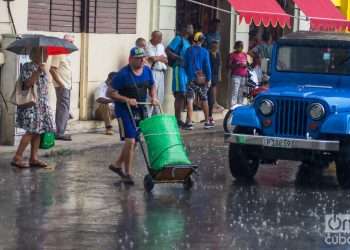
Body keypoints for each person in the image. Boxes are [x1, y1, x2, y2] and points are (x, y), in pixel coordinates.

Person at [107, 47, 158, 185]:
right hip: (124, 109)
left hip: (140, 108)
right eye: (138, 58)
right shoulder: (123, 74)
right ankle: (128, 174)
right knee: (131, 140)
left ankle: (117, 165)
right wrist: (126, 99)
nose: (142, 60)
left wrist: (154, 97)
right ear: (131, 59)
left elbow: (152, 85)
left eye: (143, 57)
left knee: (134, 142)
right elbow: (110, 93)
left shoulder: (147, 71)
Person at [11, 47, 55, 168]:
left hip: (42, 104)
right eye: (44, 52)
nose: (46, 55)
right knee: (31, 131)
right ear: (37, 54)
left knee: (38, 131)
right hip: (32, 105)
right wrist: (37, 72)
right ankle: (17, 157)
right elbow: (27, 84)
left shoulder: (43, 67)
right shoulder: (28, 66)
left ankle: (34, 158)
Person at [166, 24, 193, 128]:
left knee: (184, 95)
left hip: (185, 70)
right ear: (185, 29)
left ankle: (179, 119)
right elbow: (168, 50)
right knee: (179, 94)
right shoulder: (178, 39)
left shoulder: (187, 42)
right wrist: (179, 57)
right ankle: (177, 119)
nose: (192, 29)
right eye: (190, 27)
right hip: (179, 69)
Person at [184, 32, 213, 129]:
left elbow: (185, 65)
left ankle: (189, 122)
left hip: (191, 78)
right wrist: (208, 79)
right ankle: (207, 121)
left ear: (194, 40)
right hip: (202, 80)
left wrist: (189, 74)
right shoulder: (205, 52)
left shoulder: (188, 51)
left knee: (190, 100)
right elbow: (207, 67)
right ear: (202, 41)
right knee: (204, 99)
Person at [49, 34, 74, 141]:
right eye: (70, 42)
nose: (72, 44)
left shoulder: (65, 55)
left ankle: (61, 129)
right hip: (62, 85)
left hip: (66, 85)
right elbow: (52, 69)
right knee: (62, 108)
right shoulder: (59, 53)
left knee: (64, 108)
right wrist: (61, 83)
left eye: (72, 42)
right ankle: (60, 132)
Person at [145, 31, 168, 114]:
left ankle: (157, 117)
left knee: (160, 97)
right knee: (151, 96)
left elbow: (166, 60)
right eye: (159, 37)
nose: (161, 39)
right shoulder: (147, 46)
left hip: (161, 72)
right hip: (152, 71)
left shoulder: (161, 46)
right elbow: (152, 59)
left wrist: (158, 58)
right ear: (153, 37)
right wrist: (160, 58)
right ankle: (148, 117)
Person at [228, 41, 248, 105]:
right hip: (236, 76)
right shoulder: (232, 55)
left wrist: (246, 65)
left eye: (241, 46)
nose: (240, 48)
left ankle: (240, 106)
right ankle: (233, 107)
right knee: (235, 92)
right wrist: (237, 65)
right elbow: (228, 65)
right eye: (239, 46)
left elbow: (247, 63)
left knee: (241, 92)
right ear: (236, 47)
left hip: (243, 76)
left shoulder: (244, 54)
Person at [208, 40, 222, 125]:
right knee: (209, 96)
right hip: (209, 76)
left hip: (215, 76)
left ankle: (210, 114)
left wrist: (219, 76)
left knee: (212, 95)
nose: (215, 47)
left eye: (216, 46)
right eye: (214, 46)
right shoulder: (208, 54)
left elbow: (219, 65)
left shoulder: (218, 54)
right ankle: (209, 115)